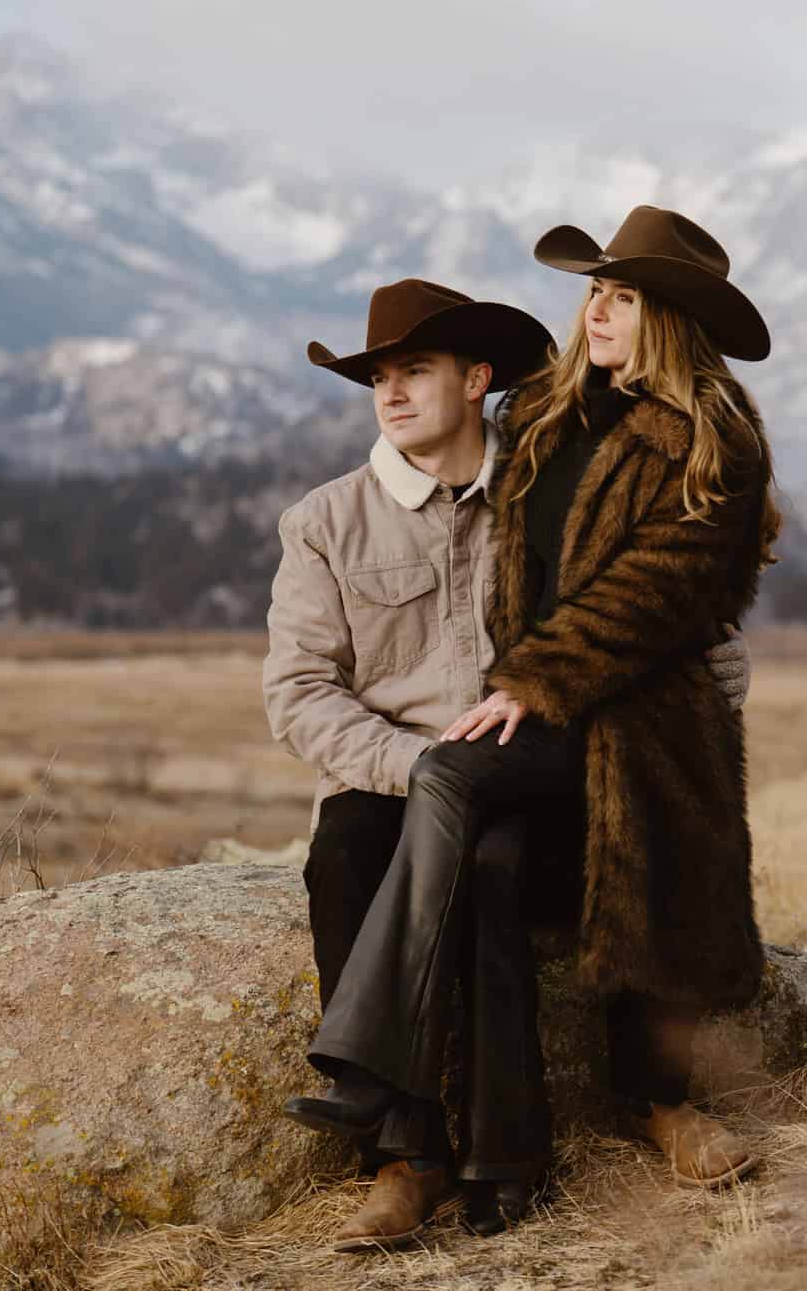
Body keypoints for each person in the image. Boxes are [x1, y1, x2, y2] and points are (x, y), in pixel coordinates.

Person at [285, 205, 780, 1239]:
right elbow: (298, 692)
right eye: (593, 291)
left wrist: (573, 682)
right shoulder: (545, 426)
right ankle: (432, 1154)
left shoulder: (690, 440)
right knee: (372, 841)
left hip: (573, 722)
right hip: (464, 749)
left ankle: (418, 1089)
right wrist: (433, 743)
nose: (593, 310)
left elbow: (661, 590)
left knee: (503, 826)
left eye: (619, 295)